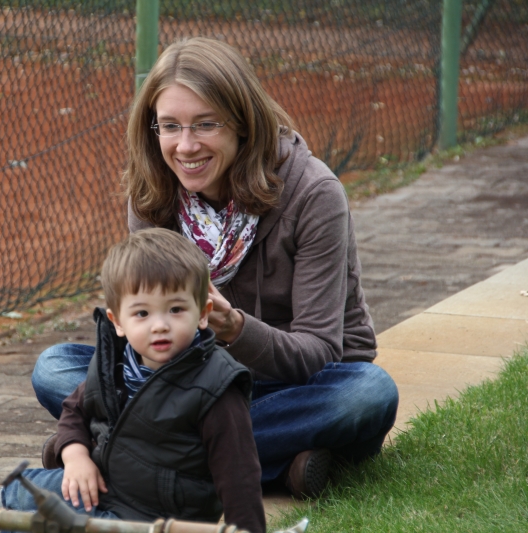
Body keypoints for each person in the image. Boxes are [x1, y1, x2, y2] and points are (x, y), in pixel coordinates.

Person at [32, 37, 399, 499]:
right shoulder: (152, 195)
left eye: (206, 124)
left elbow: (318, 352)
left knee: (368, 393)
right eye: (170, 126)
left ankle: (134, 455)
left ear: (242, 122)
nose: (186, 146)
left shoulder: (313, 193)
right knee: (54, 367)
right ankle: (269, 463)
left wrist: (233, 328)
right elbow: (142, 337)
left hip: (294, 387)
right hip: (188, 384)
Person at [0, 228, 266, 533]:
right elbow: (75, 410)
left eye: (176, 309)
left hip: (157, 520)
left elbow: (239, 477)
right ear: (117, 321)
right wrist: (75, 456)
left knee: (41, 518)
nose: (160, 325)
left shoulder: (216, 386)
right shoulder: (115, 365)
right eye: (142, 313)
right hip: (106, 487)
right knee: (23, 489)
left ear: (203, 313)